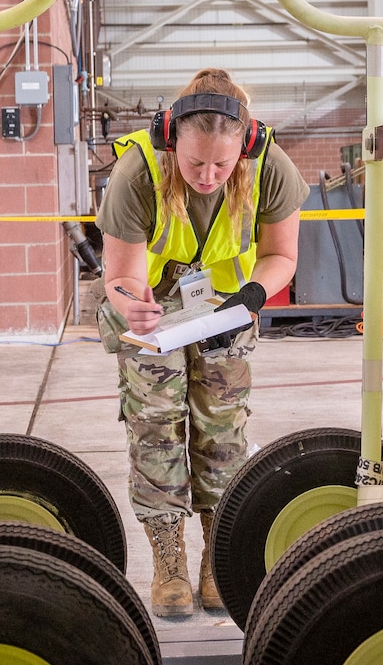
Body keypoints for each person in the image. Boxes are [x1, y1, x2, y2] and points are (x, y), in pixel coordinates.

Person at [96, 68, 307, 617]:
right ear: (172, 141)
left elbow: (282, 254)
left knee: (222, 427)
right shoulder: (138, 171)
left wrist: (253, 297)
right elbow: (118, 272)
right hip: (152, 308)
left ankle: (219, 553)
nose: (210, 175)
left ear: (248, 143)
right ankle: (169, 562)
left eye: (223, 162)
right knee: (155, 424)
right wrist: (131, 305)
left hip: (228, 304)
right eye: (195, 164)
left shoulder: (269, 166)